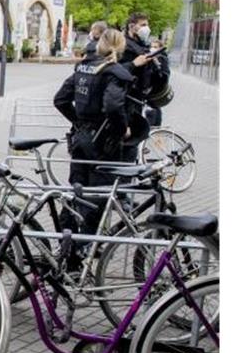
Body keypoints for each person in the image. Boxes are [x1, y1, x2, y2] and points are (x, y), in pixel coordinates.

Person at [53, 28, 133, 232]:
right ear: (120, 46)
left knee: (76, 190)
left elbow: (60, 99)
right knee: (98, 196)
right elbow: (114, 106)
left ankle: (67, 242)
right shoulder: (113, 72)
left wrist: (78, 122)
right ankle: (86, 246)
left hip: (81, 139)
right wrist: (122, 129)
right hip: (103, 143)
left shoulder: (83, 68)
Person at [118, 12, 171, 159]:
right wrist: (134, 64)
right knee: (128, 141)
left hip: (138, 98)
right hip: (126, 99)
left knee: (135, 139)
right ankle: (124, 175)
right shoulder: (124, 46)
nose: (146, 28)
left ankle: (130, 167)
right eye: (143, 25)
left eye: (147, 25)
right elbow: (115, 70)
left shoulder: (142, 45)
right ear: (132, 26)